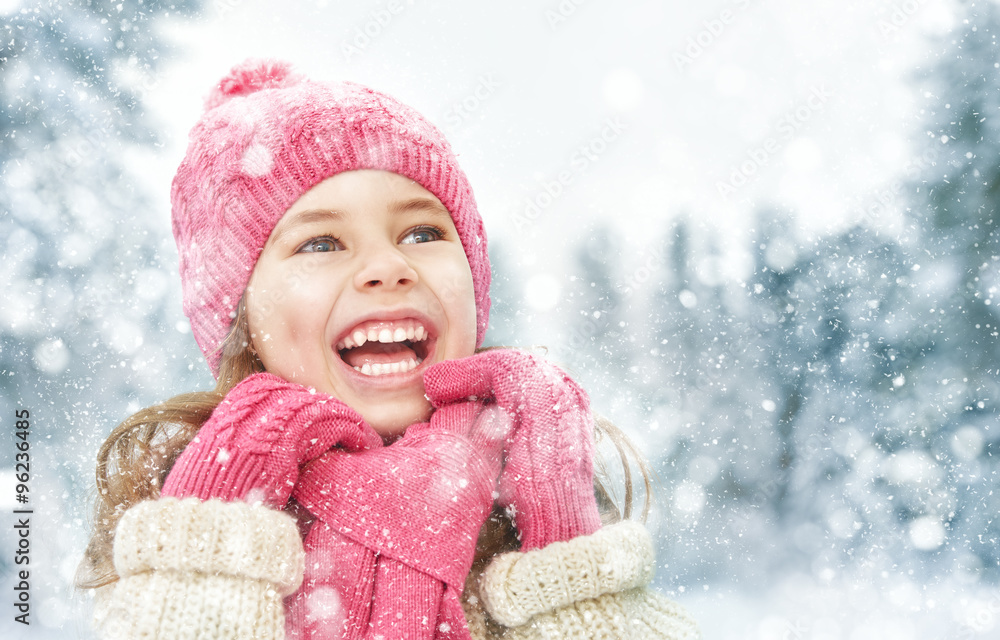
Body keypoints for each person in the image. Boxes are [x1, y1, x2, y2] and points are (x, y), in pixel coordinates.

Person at [76, 58, 701, 640]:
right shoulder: (172, 512)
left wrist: (565, 557)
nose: (387, 265)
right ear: (240, 316)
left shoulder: (530, 486)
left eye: (423, 231)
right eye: (320, 243)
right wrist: (206, 558)